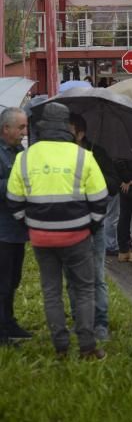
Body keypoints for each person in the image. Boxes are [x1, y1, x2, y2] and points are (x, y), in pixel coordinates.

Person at [7, 102, 108, 359]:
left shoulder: (25, 157)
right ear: (66, 127)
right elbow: (100, 199)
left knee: (51, 290)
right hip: (77, 236)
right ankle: (87, 346)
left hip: (41, 237)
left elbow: (14, 200)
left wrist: (29, 224)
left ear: (40, 126)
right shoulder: (82, 156)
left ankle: (60, 346)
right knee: (84, 289)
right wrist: (90, 225)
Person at [68, 113, 120, 341]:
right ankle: (79, 321)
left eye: (69, 132)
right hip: (69, 226)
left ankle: (100, 323)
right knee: (71, 279)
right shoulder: (62, 155)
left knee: (97, 276)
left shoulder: (97, 153)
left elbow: (113, 185)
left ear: (80, 133)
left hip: (95, 226)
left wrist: (92, 175)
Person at [0, 108, 30, 346]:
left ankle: (9, 322)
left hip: (17, 229)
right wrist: (17, 181)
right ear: (5, 129)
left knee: (13, 279)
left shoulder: (19, 151)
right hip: (2, 230)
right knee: (2, 281)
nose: (24, 132)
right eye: (20, 127)